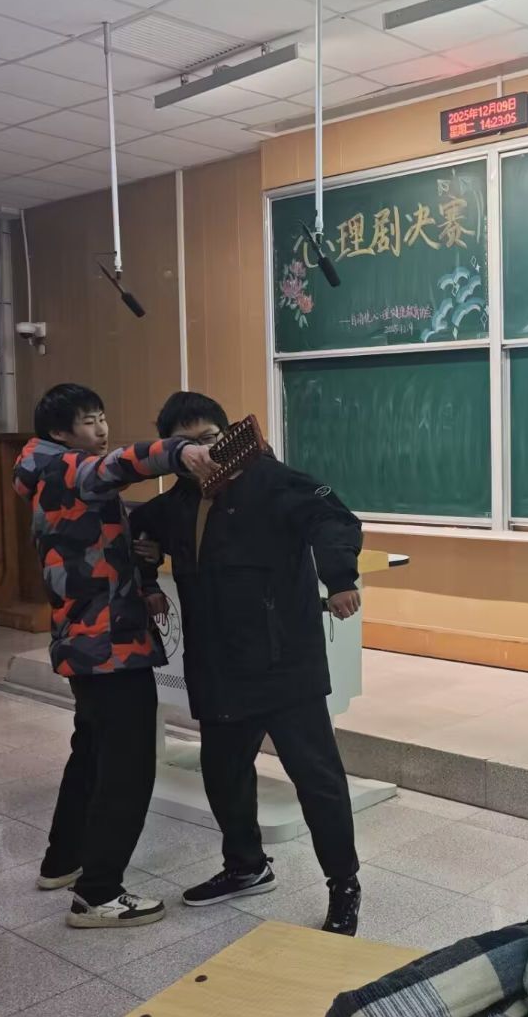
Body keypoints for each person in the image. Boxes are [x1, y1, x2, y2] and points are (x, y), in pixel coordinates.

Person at [129, 392, 366, 936]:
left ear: (229, 433)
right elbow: (139, 526)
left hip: (285, 664)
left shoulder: (273, 480)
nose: (203, 450)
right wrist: (146, 575)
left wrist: (340, 578)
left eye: (210, 437)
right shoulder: (179, 500)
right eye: (187, 443)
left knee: (317, 779)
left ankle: (344, 884)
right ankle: (246, 866)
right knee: (224, 773)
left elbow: (333, 518)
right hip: (217, 666)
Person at [17, 384, 216, 929]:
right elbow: (120, 464)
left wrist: (136, 555)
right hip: (109, 646)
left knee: (90, 753)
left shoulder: (45, 472)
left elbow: (92, 537)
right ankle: (98, 894)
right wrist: (180, 452)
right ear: (61, 432)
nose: (101, 429)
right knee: (127, 768)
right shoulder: (70, 468)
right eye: (88, 421)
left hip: (84, 642)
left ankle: (63, 861)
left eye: (102, 417)